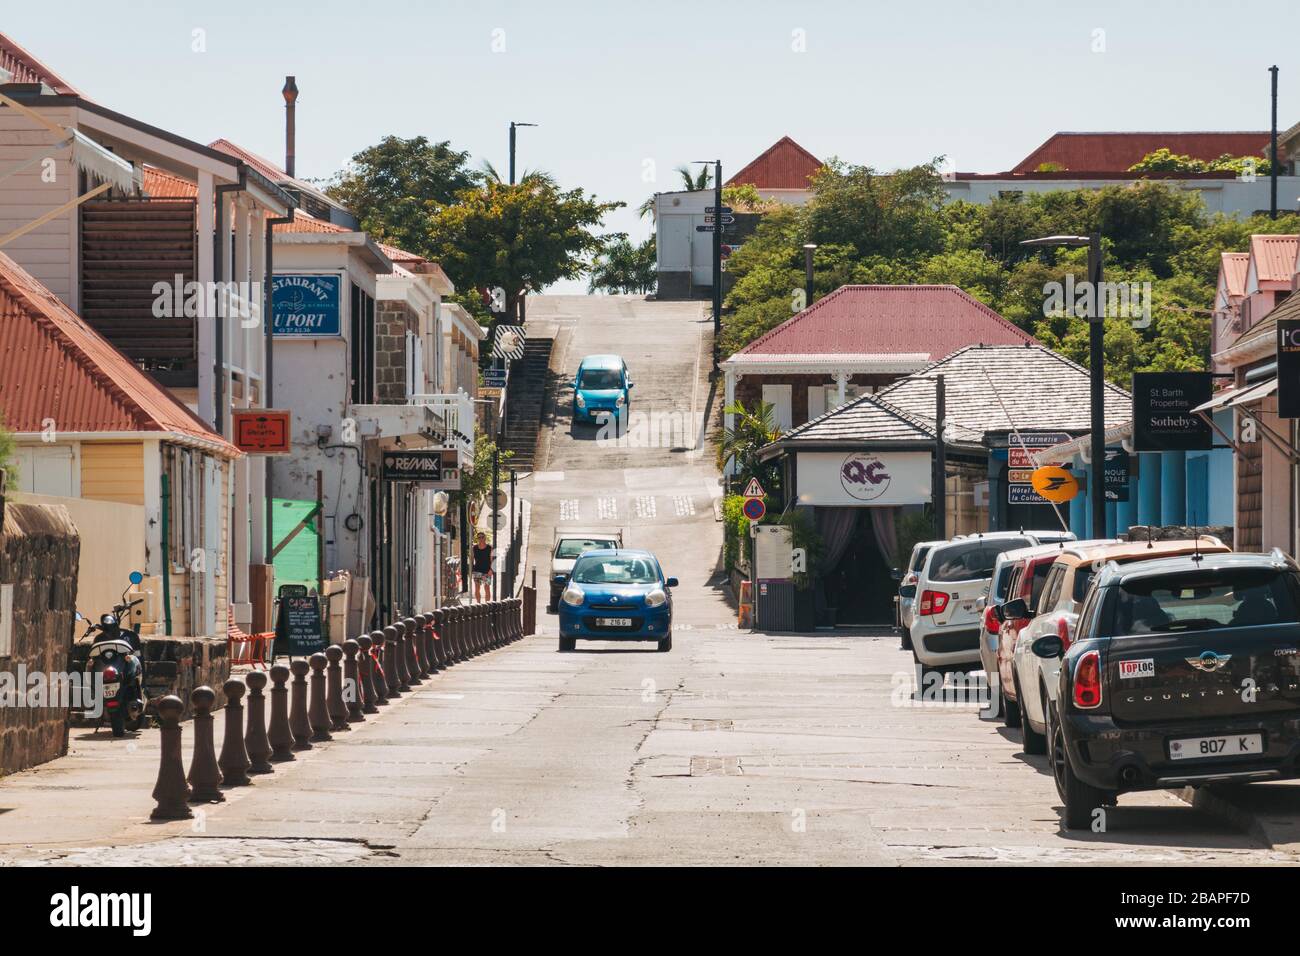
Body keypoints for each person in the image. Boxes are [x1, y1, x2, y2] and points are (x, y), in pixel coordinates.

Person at [471, 532, 493, 602]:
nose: (481, 539)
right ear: (477, 539)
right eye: (479, 537)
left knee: (487, 588)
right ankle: (478, 605)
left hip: (487, 571)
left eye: (482, 537)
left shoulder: (489, 548)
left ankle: (487, 605)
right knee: (477, 588)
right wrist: (472, 570)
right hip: (477, 570)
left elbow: (492, 560)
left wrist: (491, 570)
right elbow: (471, 559)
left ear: (485, 538)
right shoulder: (474, 548)